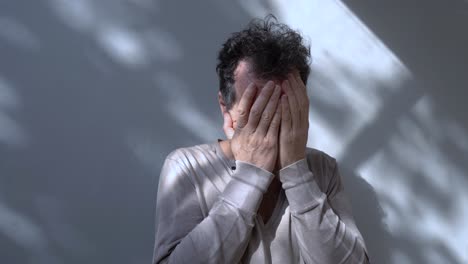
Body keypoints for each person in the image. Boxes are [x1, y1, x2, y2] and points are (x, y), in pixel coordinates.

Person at [152, 15, 370, 264]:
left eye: (283, 106)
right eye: (258, 109)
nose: (271, 120)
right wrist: (250, 175)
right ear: (226, 109)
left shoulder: (323, 169)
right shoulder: (187, 167)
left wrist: (297, 172)